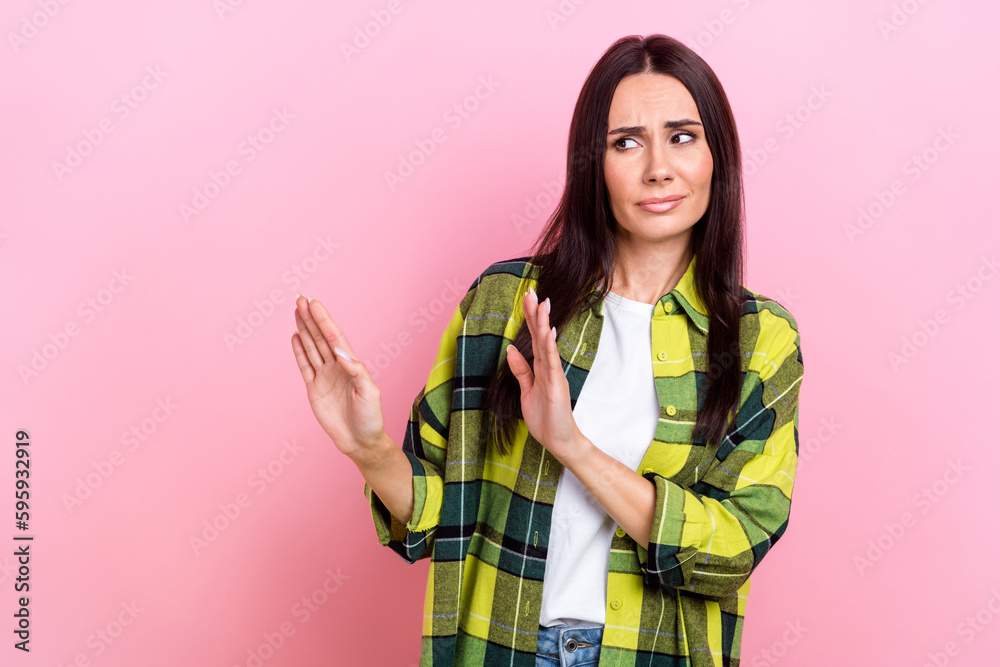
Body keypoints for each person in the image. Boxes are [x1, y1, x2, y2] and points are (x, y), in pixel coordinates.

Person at [291, 33, 804, 667]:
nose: (657, 168)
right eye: (625, 142)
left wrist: (571, 445)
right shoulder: (506, 303)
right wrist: (366, 449)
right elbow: (439, 522)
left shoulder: (760, 339)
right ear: (594, 162)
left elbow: (732, 548)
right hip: (501, 647)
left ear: (716, 156)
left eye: (681, 136)